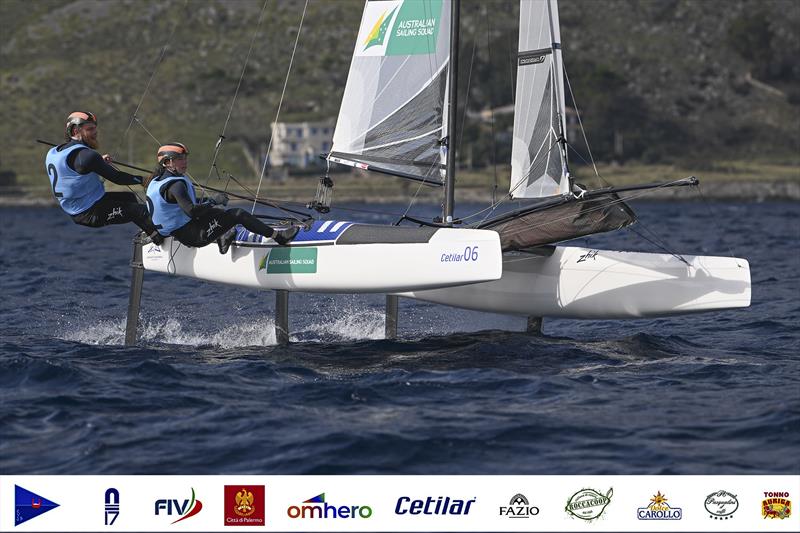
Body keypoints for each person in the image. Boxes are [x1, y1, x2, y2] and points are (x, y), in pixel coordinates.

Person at [144, 142, 299, 254]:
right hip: (195, 236)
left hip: (182, 231)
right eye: (179, 159)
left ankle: (223, 238)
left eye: (185, 158)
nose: (185, 162)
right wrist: (212, 200)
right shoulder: (176, 185)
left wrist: (210, 202)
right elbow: (191, 211)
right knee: (237, 214)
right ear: (167, 162)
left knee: (217, 212)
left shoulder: (157, 182)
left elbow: (182, 204)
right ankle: (280, 238)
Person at [45, 111, 163, 243]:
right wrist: (143, 180)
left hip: (85, 204)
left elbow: (74, 170)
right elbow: (117, 178)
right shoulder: (87, 156)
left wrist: (98, 162)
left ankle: (152, 234)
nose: (95, 132)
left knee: (129, 198)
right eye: (90, 129)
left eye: (95, 128)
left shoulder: (55, 152)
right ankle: (159, 240)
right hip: (89, 212)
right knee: (142, 212)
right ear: (75, 131)